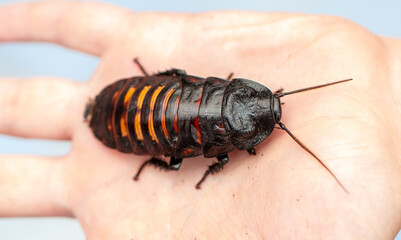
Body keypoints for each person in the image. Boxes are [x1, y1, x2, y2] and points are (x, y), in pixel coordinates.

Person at [0, 1, 400, 239]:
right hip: (131, 110)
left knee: (177, 88)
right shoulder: (226, 149)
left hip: (158, 94)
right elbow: (219, 156)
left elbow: (182, 81)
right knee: (175, 149)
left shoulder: (226, 97)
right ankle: (148, 147)